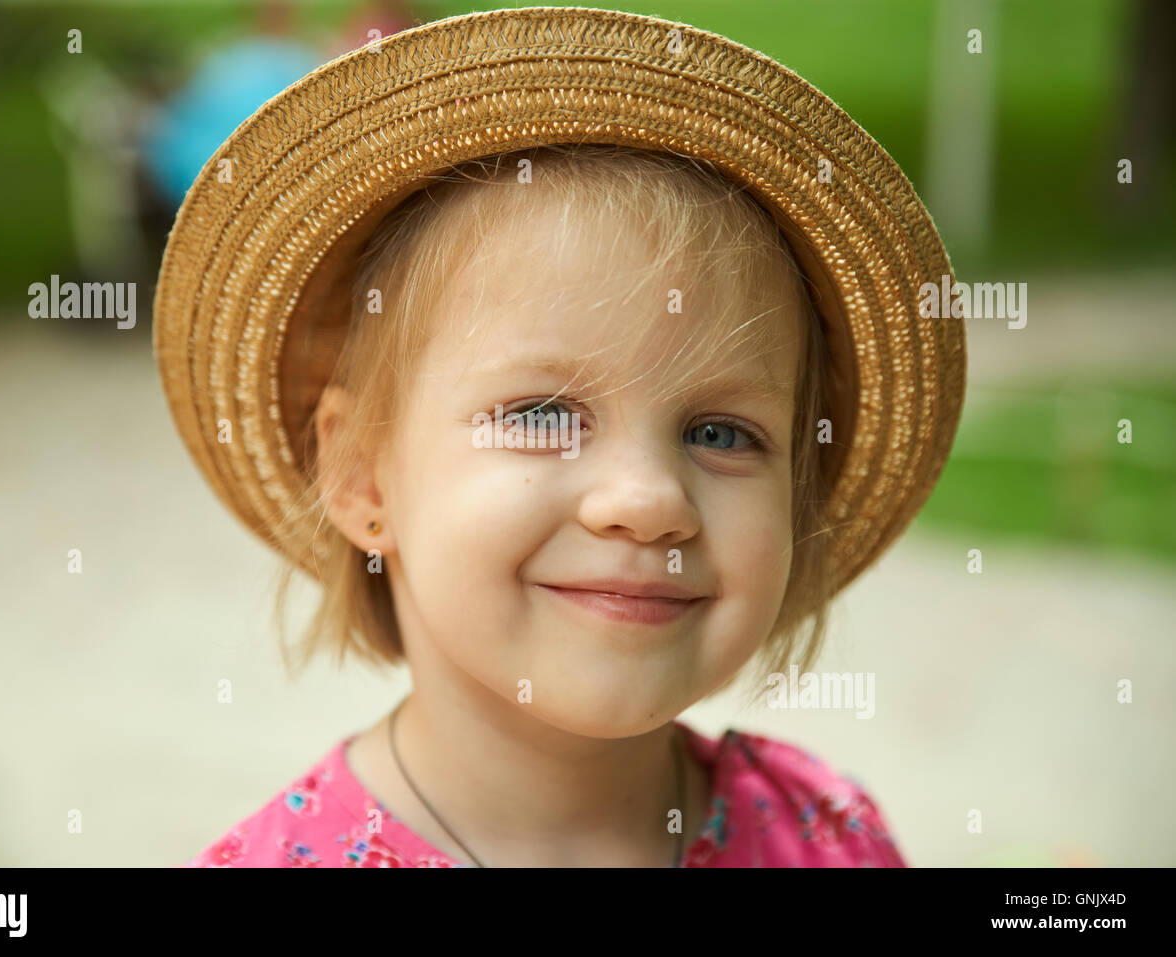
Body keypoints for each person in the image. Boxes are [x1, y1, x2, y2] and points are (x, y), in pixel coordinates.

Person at [153, 7, 967, 867]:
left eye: (721, 430)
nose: (650, 501)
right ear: (362, 477)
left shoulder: (827, 840)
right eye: (543, 416)